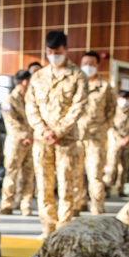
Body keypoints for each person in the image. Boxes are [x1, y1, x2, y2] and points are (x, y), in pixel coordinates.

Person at [25, 30, 89, 238]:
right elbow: (31, 106)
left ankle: (64, 229)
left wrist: (59, 131)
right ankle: (48, 227)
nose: (54, 55)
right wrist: (43, 129)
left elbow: (78, 107)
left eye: (58, 51)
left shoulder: (78, 75)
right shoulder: (38, 77)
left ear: (66, 49)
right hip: (42, 140)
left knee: (67, 185)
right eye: (50, 52)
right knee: (43, 185)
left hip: (67, 141)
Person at [76, 51, 116, 214]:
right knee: (75, 175)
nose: (88, 66)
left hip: (95, 138)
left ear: (98, 65)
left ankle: (97, 208)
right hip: (76, 138)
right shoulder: (75, 85)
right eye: (85, 63)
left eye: (92, 63)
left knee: (95, 175)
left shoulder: (105, 87)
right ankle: (78, 204)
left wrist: (102, 129)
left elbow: (111, 111)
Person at [0, 69, 35, 215]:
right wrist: (25, 136)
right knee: (11, 174)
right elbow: (11, 123)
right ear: (25, 81)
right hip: (16, 143)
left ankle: (25, 205)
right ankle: (7, 204)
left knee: (28, 175)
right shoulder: (9, 101)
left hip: (32, 142)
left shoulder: (31, 100)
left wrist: (32, 137)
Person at [105, 89, 129, 197]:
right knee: (112, 166)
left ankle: (120, 188)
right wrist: (119, 138)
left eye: (126, 98)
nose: (124, 101)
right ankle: (107, 188)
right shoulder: (113, 112)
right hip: (115, 144)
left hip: (127, 144)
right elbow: (110, 126)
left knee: (124, 167)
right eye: (122, 98)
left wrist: (128, 137)